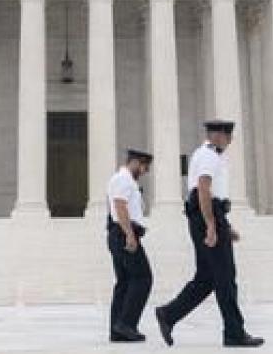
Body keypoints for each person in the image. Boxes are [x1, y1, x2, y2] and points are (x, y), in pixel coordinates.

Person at [155, 120, 264, 348]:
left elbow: (212, 195)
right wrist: (212, 226)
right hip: (207, 216)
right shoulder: (208, 156)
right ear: (218, 136)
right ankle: (234, 332)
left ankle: (169, 314)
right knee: (225, 278)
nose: (230, 141)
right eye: (228, 137)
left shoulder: (210, 155)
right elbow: (203, 190)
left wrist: (224, 225)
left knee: (207, 278)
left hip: (212, 215)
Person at [106, 149, 154, 342]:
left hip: (119, 234)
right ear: (135, 162)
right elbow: (120, 205)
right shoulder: (123, 179)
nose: (144, 171)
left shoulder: (124, 180)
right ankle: (126, 324)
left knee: (125, 282)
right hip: (123, 233)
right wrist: (130, 235)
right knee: (143, 278)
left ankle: (117, 329)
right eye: (144, 167)